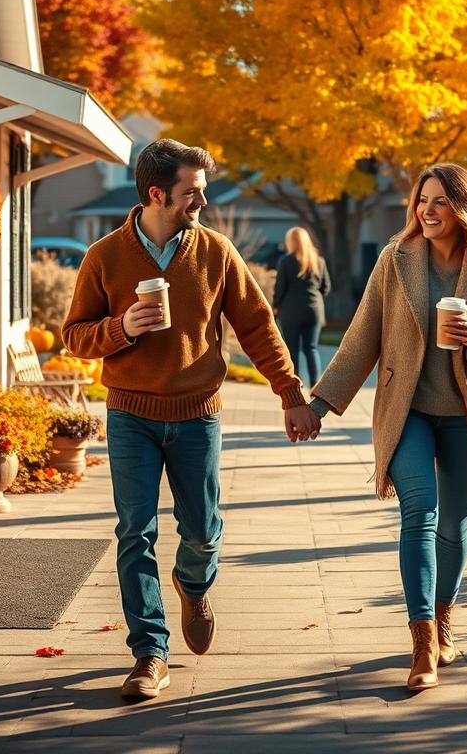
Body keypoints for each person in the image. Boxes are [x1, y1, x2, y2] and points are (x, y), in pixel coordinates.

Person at [62, 139, 320, 701]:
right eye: (193, 193)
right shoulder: (104, 256)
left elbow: (258, 327)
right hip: (130, 413)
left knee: (202, 530)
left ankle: (193, 583)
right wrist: (122, 328)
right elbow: (75, 336)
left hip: (197, 414)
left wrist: (291, 392)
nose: (202, 201)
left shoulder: (217, 252)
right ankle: (149, 654)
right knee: (136, 532)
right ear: (158, 194)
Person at [308, 164, 467, 692]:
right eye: (421, 200)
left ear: (464, 210)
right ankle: (423, 639)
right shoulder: (395, 260)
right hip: (406, 411)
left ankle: (445, 617)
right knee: (420, 511)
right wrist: (320, 404)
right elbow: (361, 338)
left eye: (439, 202)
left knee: (455, 526)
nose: (426, 211)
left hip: (465, 416)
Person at [273, 227, 331, 386]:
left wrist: (275, 306)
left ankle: (295, 386)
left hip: (290, 311)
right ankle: (315, 385)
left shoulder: (286, 261)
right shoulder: (319, 261)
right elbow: (325, 288)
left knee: (293, 350)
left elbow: (280, 288)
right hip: (314, 311)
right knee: (311, 348)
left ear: (291, 242)